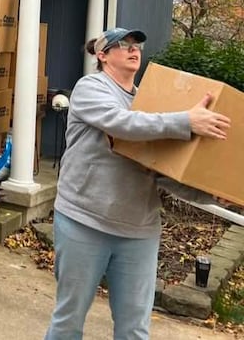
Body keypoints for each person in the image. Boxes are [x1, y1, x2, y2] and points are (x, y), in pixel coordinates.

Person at [45, 27, 231, 340]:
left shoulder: (152, 102)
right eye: (124, 45)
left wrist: (214, 194)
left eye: (138, 46)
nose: (134, 50)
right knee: (69, 322)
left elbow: (161, 170)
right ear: (102, 55)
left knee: (135, 330)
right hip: (84, 221)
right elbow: (122, 124)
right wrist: (185, 121)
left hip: (138, 232)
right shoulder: (91, 87)